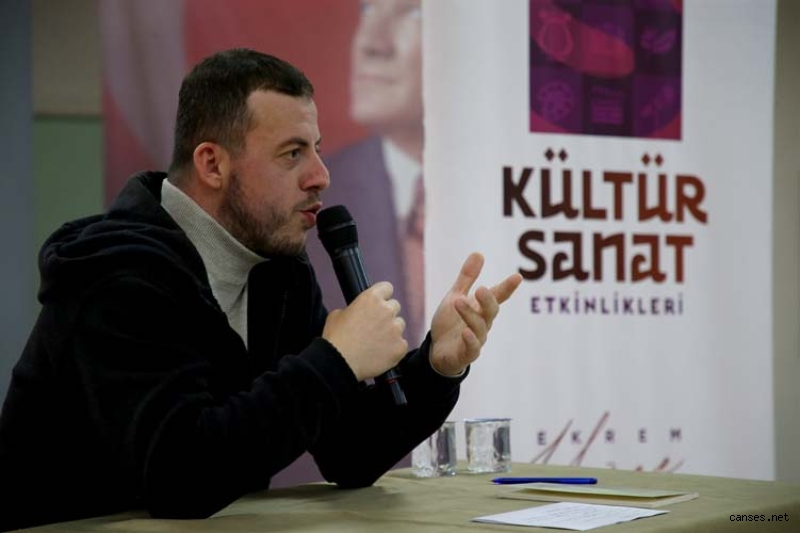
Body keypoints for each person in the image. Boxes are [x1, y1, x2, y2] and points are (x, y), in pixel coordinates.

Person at [0, 48, 522, 531]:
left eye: (317, 149)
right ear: (212, 164)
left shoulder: (278, 272)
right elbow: (180, 476)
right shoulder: (118, 276)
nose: (321, 175)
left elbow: (350, 453)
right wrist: (334, 361)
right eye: (292, 153)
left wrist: (434, 367)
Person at [306, 0, 427, 346]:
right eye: (368, 9)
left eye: (413, 13)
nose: (371, 43)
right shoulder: (309, 199)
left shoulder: (518, 190)